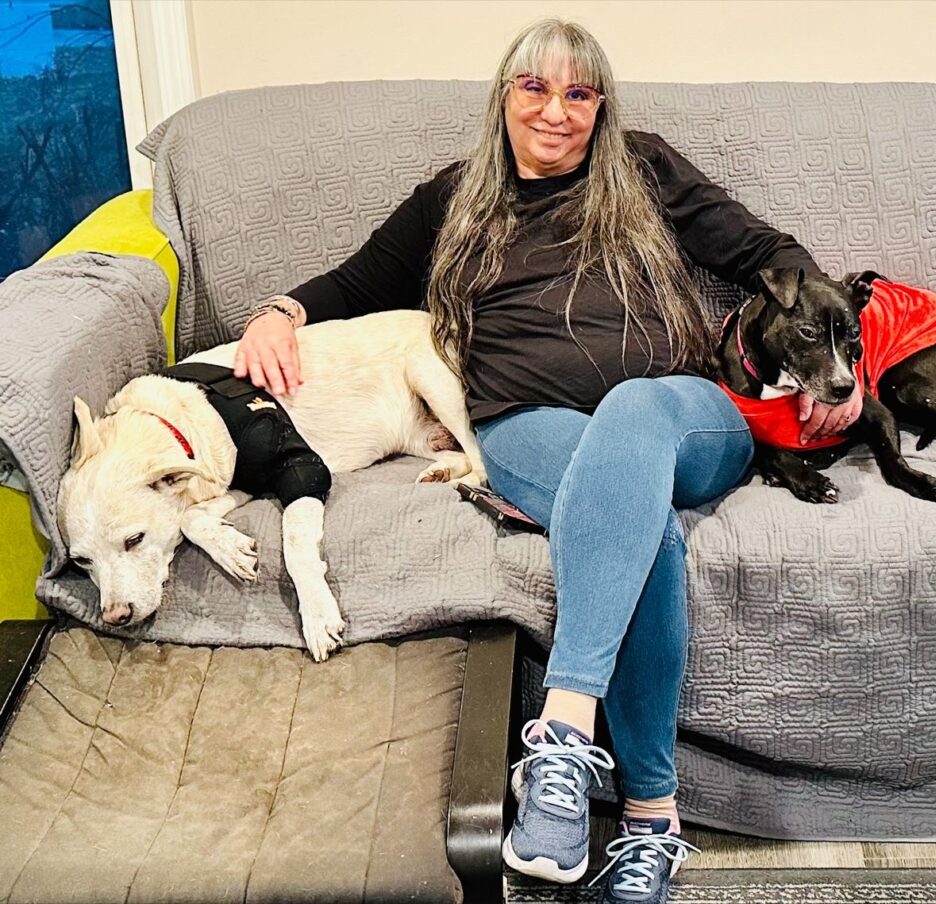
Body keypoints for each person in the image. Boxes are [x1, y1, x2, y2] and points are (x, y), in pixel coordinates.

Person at [233, 19, 861, 904]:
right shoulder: (454, 196)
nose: (556, 112)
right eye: (536, 88)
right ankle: (650, 817)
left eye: (579, 93)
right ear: (504, 96)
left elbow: (770, 257)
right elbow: (356, 283)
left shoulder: (644, 169)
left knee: (634, 412)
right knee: (641, 531)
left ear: (601, 108)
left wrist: (838, 365)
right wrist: (277, 313)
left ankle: (561, 735)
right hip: (523, 425)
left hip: (682, 411)